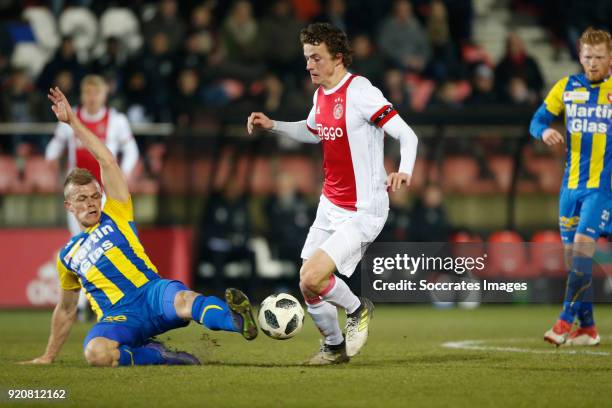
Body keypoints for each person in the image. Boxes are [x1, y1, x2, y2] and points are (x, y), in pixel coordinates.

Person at [22, 87, 257, 367]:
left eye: (95, 195)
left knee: (185, 299)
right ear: (69, 206)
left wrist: (74, 123)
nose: (92, 203)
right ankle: (160, 356)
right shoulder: (68, 255)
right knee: (96, 353)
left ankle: (237, 320)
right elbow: (66, 308)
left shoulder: (116, 213)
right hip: (118, 317)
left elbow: (106, 160)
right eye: (82, 199)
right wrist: (48, 356)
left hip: (151, 293)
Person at [247, 23, 418, 364]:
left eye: (316, 58)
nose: (309, 65)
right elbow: (314, 131)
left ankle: (357, 309)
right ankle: (334, 346)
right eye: (307, 58)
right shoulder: (320, 94)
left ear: (338, 58)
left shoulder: (360, 91)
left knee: (313, 275)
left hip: (364, 208)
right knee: (307, 283)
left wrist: (405, 170)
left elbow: (407, 134)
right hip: (330, 204)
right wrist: (274, 125)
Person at [529, 27, 611, 347]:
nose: (592, 63)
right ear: (579, 56)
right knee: (573, 260)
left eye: (599, 58)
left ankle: (564, 322)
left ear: (610, 58)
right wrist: (544, 133)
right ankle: (588, 328)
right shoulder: (566, 87)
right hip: (570, 189)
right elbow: (536, 121)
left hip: (600, 190)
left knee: (581, 250)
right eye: (587, 57)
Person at [45, 74, 139, 321]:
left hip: (106, 196)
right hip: (78, 198)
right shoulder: (69, 115)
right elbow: (55, 144)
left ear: (104, 95)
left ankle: (114, 299)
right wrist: (50, 159)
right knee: (81, 248)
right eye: (87, 93)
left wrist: (123, 175)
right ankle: (86, 304)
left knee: (109, 247)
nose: (91, 98)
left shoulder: (116, 120)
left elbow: (131, 150)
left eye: (96, 93)